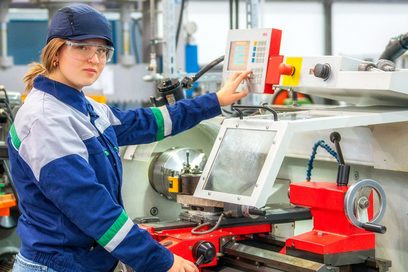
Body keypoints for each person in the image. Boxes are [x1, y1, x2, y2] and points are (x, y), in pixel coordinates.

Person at [8, 3, 251, 272]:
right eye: (82, 47)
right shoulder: (45, 118)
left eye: (102, 50)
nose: (95, 59)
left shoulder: (84, 108)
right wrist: (160, 261)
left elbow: (148, 122)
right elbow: (92, 208)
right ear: (56, 51)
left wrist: (215, 100)